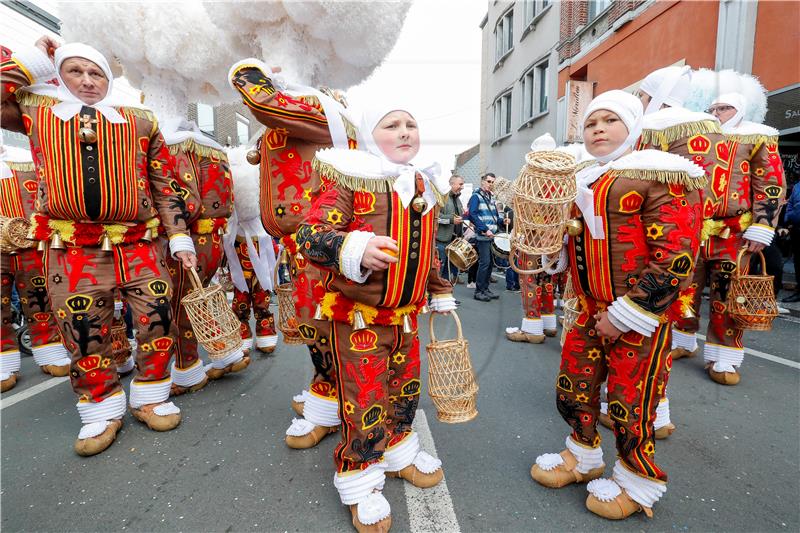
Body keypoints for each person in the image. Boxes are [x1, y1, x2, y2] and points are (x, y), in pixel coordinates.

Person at [2, 37, 196, 455]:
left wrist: (180, 237)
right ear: (60, 75)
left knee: (158, 319)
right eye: (76, 71)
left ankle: (151, 396)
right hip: (70, 249)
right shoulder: (38, 111)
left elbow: (164, 183)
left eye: (96, 73)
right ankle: (101, 408)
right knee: (84, 332)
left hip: (139, 244)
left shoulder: (140, 120)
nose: (88, 81)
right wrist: (36, 61)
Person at [530, 91, 705, 520]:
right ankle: (583, 456)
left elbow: (677, 255)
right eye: (591, 123)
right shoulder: (586, 178)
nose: (599, 129)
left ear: (634, 127)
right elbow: (577, 240)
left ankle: (637, 481)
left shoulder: (660, 174)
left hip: (637, 316)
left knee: (631, 401)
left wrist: (629, 312)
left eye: (610, 121)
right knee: (574, 385)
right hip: (590, 310)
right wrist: (556, 257)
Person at [297, 102, 455, 532]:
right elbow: (310, 234)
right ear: (370, 134)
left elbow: (426, 252)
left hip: (405, 317)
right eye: (392, 125)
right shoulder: (347, 175)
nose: (405, 131)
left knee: (404, 389)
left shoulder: (424, 182)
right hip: (358, 318)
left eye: (412, 123)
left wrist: (438, 291)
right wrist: (355, 248)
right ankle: (359, 474)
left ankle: (398, 451)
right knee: (364, 396)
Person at [228, 58, 358, 449]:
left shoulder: (322, 109)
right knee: (313, 324)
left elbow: (268, 105)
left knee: (325, 325)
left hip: (321, 242)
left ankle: (333, 404)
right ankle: (332, 395)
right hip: (299, 246)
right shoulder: (301, 113)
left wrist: (249, 70)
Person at [671, 88, 786, 385]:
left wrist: (762, 226)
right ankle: (683, 340)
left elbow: (770, 184)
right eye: (713, 109)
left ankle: (724, 355)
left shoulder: (757, 137)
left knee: (726, 293)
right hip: (694, 228)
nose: (716, 114)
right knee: (685, 287)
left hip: (734, 231)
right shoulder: (696, 138)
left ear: (741, 111)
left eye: (724, 109)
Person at [159, 117, 245, 396]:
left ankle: (188, 370)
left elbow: (186, 203)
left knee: (182, 306)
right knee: (202, 298)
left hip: (187, 238)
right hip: (213, 239)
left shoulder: (174, 148)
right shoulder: (215, 151)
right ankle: (226, 354)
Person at [1, 141, 72, 392]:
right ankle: (3, 365)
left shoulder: (25, 160)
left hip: (31, 245)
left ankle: (50, 352)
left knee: (39, 299)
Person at [223, 146, 278, 356]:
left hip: (256, 241)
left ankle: (264, 333)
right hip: (238, 245)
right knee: (241, 295)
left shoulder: (261, 226)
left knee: (262, 292)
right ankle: (243, 335)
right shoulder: (232, 228)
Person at [467, 173, 500, 301]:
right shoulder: (476, 196)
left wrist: (502, 221)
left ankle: (485, 289)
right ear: (482, 181)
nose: (490, 184)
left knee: (490, 264)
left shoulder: (491, 197)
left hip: (492, 236)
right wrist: (485, 229)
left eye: (492, 182)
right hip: (483, 236)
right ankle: (479, 291)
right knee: (484, 263)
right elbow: (472, 215)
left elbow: (494, 216)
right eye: (488, 181)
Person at [435, 174, 464, 282]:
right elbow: (436, 217)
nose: (462, 187)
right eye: (460, 184)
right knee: (440, 272)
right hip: (441, 242)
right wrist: (451, 220)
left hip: (453, 243)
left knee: (447, 272)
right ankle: (434, 297)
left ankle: (446, 297)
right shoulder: (442, 197)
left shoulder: (457, 199)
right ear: (451, 184)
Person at [783, 182, 800, 302]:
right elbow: (790, 203)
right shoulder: (797, 185)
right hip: (797, 228)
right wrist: (788, 217)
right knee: (798, 262)